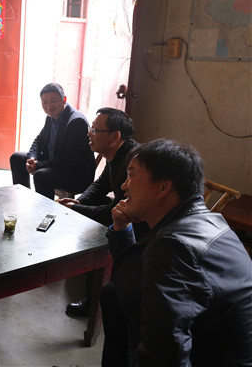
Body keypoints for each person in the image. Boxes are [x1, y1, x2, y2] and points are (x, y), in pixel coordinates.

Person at [101, 139, 252, 366]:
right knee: (112, 294)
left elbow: (165, 355)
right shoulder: (211, 221)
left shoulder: (174, 247)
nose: (124, 186)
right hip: (213, 340)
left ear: (163, 187)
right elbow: (133, 277)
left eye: (131, 175)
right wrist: (122, 228)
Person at [58, 107, 148, 318]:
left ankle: (93, 303)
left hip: (143, 226)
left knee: (98, 234)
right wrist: (79, 201)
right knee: (91, 211)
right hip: (126, 214)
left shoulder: (133, 160)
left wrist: (76, 209)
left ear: (115, 136)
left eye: (95, 129)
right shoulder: (115, 154)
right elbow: (101, 184)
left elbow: (116, 210)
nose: (89, 133)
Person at [10, 83, 95, 200]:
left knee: (41, 175)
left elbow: (68, 159)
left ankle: (45, 209)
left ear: (64, 99)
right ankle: (22, 200)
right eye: (44, 102)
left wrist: (38, 165)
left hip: (75, 173)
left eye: (53, 101)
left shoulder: (76, 121)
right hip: (55, 163)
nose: (49, 106)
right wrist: (32, 158)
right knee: (17, 158)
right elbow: (39, 140)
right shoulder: (51, 117)